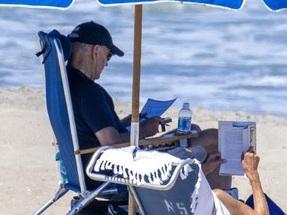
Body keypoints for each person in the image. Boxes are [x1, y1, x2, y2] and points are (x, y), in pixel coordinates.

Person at [64, 21, 230, 190]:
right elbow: (111, 143)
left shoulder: (67, 85)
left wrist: (128, 122)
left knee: (192, 129)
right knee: (216, 139)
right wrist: (143, 131)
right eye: (108, 56)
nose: (106, 63)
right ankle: (223, 207)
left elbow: (91, 133)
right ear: (96, 51)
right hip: (117, 171)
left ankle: (205, 199)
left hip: (93, 166)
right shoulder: (89, 92)